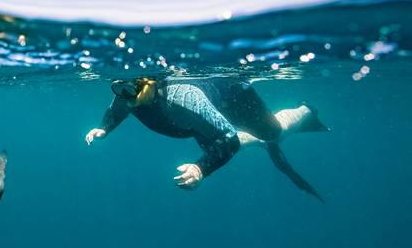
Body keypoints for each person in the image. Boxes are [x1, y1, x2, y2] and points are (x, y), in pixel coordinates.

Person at [85, 76, 328, 201]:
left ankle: (306, 110)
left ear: (150, 85)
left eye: (131, 89)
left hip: (235, 97)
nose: (125, 95)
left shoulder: (183, 98)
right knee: (218, 140)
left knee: (273, 133)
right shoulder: (129, 98)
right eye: (121, 90)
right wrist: (103, 128)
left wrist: (200, 169)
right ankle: (263, 143)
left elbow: (230, 140)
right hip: (199, 122)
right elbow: (117, 109)